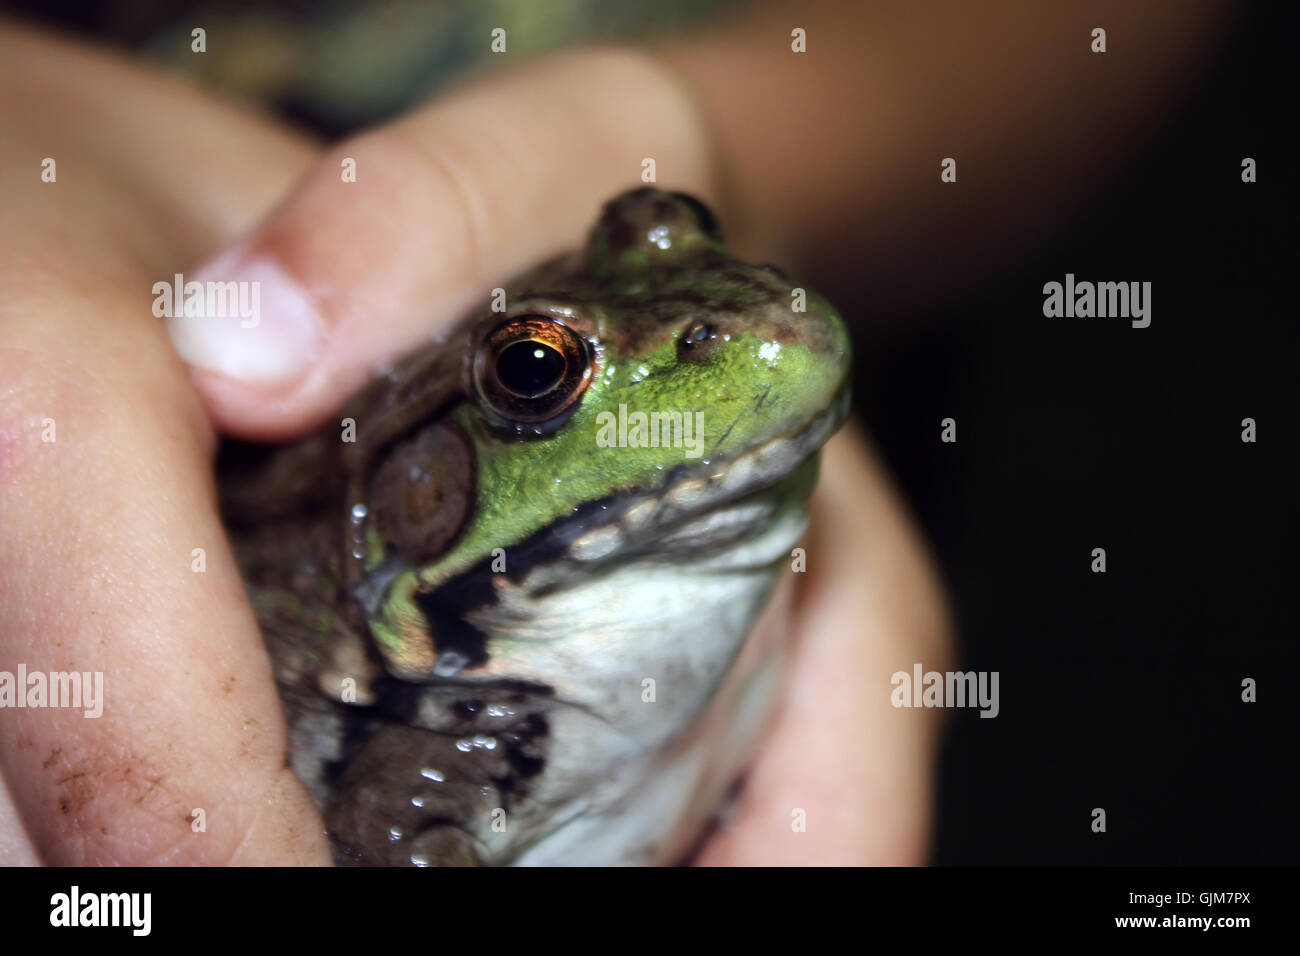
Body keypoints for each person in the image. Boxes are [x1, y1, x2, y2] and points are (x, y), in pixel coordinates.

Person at [0, 0, 1224, 864]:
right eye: (542, 372)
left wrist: (734, 136)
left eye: (687, 227)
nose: (735, 326)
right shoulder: (424, 757)